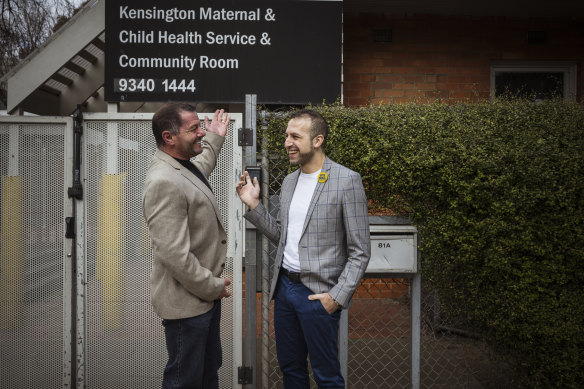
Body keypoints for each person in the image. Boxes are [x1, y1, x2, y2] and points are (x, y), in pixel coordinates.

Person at [236, 109, 371, 388]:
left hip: (318, 295)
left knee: (327, 376)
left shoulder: (346, 180)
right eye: (287, 136)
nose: (287, 142)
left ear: (318, 140)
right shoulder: (289, 182)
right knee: (291, 371)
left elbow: (360, 251)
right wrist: (253, 205)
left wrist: (336, 296)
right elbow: (283, 236)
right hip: (285, 290)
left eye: (295, 136)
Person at [142, 102, 232, 389]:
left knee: (206, 373)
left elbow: (201, 168)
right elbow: (174, 255)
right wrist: (212, 286)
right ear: (169, 137)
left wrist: (217, 137)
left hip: (202, 299)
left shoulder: (181, 167)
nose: (201, 133)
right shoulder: (163, 181)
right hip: (188, 304)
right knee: (185, 380)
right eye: (194, 128)